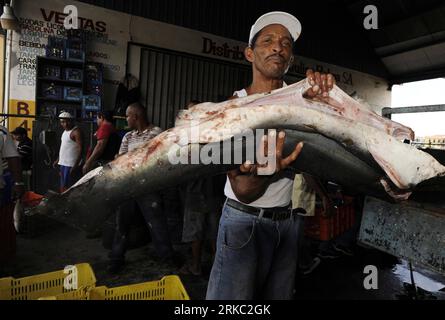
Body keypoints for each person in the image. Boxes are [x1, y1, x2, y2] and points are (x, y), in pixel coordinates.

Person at [206, 11, 336, 300]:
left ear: (290, 59)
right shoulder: (235, 107)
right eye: (268, 40)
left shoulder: (301, 101)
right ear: (250, 54)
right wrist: (270, 171)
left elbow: (310, 155)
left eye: (286, 43)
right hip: (244, 222)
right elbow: (244, 191)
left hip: (288, 224)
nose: (278, 46)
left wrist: (329, 100)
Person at [108, 102, 177, 273]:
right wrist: (137, 157)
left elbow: (160, 158)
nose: (126, 120)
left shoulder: (156, 133)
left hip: (148, 187)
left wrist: (132, 158)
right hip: (128, 186)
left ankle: (167, 257)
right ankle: (116, 258)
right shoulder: (128, 137)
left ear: (135, 116)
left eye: (127, 116)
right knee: (122, 224)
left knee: (156, 223)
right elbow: (119, 159)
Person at [53, 111, 83, 192]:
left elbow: (81, 149)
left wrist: (75, 165)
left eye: (67, 121)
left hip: (71, 165)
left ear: (72, 121)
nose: (65, 124)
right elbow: (64, 148)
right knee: (63, 188)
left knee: (70, 189)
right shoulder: (65, 132)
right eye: (63, 122)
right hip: (63, 164)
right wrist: (58, 160)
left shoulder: (76, 132)